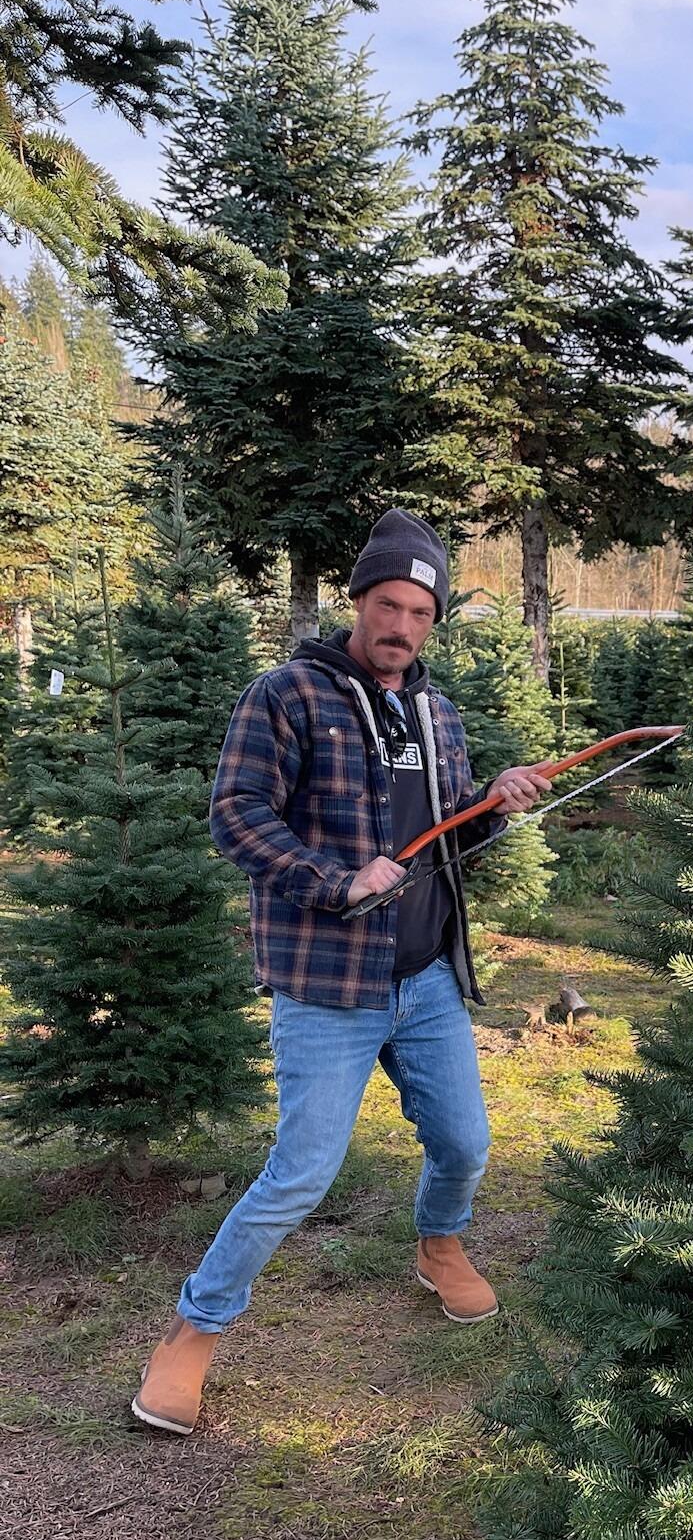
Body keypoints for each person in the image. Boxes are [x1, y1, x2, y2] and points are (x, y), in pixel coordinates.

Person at [131, 510, 551, 1436]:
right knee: (300, 1174)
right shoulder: (286, 694)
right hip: (328, 982)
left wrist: (494, 803)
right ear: (359, 600)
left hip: (427, 979)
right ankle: (191, 1335)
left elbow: (450, 839)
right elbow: (235, 816)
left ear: (434, 621)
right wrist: (335, 880)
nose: (401, 626)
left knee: (467, 1144)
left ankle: (439, 1248)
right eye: (387, 605)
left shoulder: (437, 711)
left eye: (420, 613)